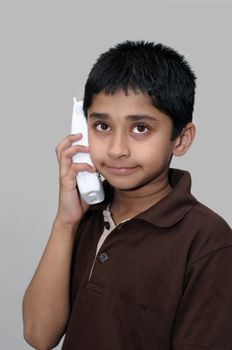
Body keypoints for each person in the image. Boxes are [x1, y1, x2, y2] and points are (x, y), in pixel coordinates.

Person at [23, 40, 232, 350]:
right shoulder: (83, 219)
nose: (117, 149)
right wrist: (65, 223)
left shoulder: (207, 239)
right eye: (102, 125)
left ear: (181, 138)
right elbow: (39, 335)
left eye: (140, 128)